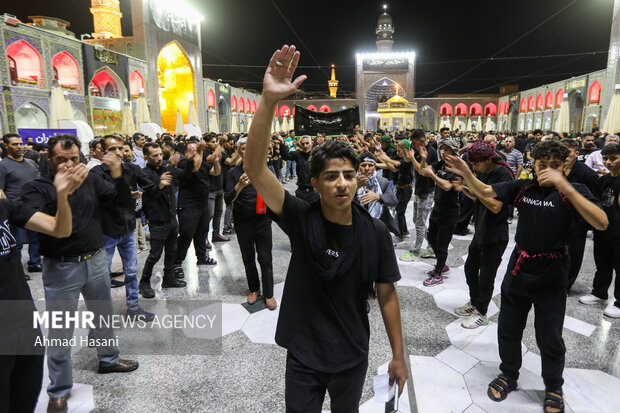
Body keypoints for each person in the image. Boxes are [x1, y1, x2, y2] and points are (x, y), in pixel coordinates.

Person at [243, 44, 407, 411]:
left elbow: (386, 294)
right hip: (305, 353)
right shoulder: (301, 218)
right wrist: (268, 100)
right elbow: (255, 168)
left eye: (349, 175)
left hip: (351, 354)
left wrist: (399, 355)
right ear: (315, 183)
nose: (342, 184)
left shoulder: (375, 233)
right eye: (331, 176)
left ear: (359, 179)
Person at [445, 140, 607, 413]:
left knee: (550, 336)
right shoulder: (524, 188)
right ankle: (509, 373)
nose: (548, 172)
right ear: (534, 165)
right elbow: (486, 191)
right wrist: (467, 173)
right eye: (543, 166)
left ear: (565, 166)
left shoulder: (573, 191)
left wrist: (563, 183)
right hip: (519, 269)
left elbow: (601, 221)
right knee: (508, 328)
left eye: (555, 166)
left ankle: (554, 385)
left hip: (552, 273)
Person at [16, 134, 140, 413]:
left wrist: (118, 171)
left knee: (103, 314)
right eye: (62, 159)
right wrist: (64, 192)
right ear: (49, 158)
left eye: (74, 158)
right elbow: (51, 225)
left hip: (95, 259)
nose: (69, 164)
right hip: (61, 266)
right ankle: (59, 388)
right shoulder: (37, 189)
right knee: (61, 329)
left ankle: (109, 360)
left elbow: (122, 201)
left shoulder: (91, 180)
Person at [0, 158, 86, 413]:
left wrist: (62, 196)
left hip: (23, 320)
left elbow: (60, 229)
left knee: (25, 396)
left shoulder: (5, 206)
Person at [91, 135, 155, 321]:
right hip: (107, 231)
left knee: (132, 271)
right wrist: (125, 193)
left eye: (120, 148)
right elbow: (101, 197)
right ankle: (99, 321)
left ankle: (134, 308)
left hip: (127, 228)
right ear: (103, 152)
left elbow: (149, 184)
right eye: (112, 149)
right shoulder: (96, 173)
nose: (118, 152)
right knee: (101, 278)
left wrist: (141, 192)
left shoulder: (130, 168)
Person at [452, 141, 514, 328]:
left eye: (477, 164)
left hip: (495, 235)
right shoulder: (484, 171)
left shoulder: (503, 174)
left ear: (488, 159)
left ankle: (482, 312)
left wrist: (475, 187)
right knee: (470, 269)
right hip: (481, 231)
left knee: (486, 276)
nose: (474, 167)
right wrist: (465, 188)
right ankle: (475, 302)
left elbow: (496, 206)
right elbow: (478, 196)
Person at [225, 137, 276, 310]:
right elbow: (228, 199)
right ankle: (254, 289)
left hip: (263, 221)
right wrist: (239, 185)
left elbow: (276, 193)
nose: (248, 151)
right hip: (243, 221)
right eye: (244, 148)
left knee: (265, 258)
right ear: (239, 151)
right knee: (248, 258)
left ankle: (268, 294)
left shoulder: (265, 169)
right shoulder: (233, 173)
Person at [140, 142, 187, 298]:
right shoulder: (144, 173)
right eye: (155, 155)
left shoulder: (165, 169)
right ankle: (144, 282)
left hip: (171, 218)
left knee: (172, 251)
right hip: (157, 220)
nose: (159, 158)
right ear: (146, 157)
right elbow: (150, 190)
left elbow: (183, 174)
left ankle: (169, 278)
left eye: (160, 154)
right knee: (155, 254)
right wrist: (160, 184)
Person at [579, 143, 620, 318]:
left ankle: (619, 302)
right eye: (605, 158)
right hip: (603, 231)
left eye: (613, 158)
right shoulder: (604, 180)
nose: (608, 162)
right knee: (602, 264)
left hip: (619, 232)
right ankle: (599, 293)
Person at [416, 137, 462, 286]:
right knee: (431, 237)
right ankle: (441, 264)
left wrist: (433, 175)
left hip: (450, 212)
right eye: (442, 149)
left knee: (442, 244)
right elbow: (423, 171)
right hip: (438, 208)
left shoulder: (458, 167)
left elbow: (447, 186)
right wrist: (423, 159)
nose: (443, 152)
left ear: (454, 150)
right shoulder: (442, 164)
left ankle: (438, 272)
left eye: (447, 149)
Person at [174, 140, 221, 272]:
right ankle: (177, 262)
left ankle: (201, 257)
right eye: (192, 150)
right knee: (187, 233)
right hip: (188, 204)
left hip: (202, 203)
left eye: (197, 150)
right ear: (186, 152)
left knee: (202, 232)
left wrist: (216, 162)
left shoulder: (203, 163)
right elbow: (195, 167)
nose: (195, 152)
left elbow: (215, 172)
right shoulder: (183, 163)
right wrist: (201, 150)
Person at [560, 139, 601, 290]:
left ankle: (566, 284)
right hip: (559, 218)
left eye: (568, 152)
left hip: (578, 221)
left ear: (576, 153)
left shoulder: (587, 174)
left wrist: (587, 223)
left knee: (573, 253)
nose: (564, 156)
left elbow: (596, 200)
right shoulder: (558, 169)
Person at [0, 133, 42, 274]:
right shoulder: (3, 166)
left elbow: (38, 183)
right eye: (14, 144)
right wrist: (6, 209)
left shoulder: (31, 163)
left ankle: (34, 263)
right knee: (17, 243)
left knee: (35, 239)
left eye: (20, 143)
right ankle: (17, 270)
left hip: (34, 208)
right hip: (15, 210)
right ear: (6, 146)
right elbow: (0, 190)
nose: (19, 147)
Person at [398, 130, 437, 261]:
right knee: (416, 221)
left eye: (414, 143)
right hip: (420, 190)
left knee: (420, 223)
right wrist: (404, 150)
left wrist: (413, 157)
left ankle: (416, 252)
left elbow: (421, 170)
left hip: (427, 191)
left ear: (421, 140)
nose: (412, 145)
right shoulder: (421, 149)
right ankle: (432, 245)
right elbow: (408, 159)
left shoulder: (430, 151)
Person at [356, 151, 400, 237]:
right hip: (356, 225)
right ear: (358, 167)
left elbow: (394, 201)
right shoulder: (351, 181)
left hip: (376, 225)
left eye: (370, 165)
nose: (367, 168)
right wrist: (356, 188)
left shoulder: (382, 182)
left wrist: (377, 196)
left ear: (375, 167)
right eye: (363, 165)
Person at [282, 134, 319, 202]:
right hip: (301, 192)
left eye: (307, 143)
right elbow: (285, 156)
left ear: (311, 143)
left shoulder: (317, 154)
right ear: (300, 145)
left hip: (314, 192)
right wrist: (282, 143)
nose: (305, 146)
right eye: (303, 144)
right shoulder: (297, 154)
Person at [499, 136, 523, 223]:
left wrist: (515, 179)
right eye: (506, 141)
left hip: (511, 177)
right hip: (501, 177)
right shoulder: (500, 152)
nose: (508, 143)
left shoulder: (517, 153)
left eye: (510, 141)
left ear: (513, 143)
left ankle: (509, 216)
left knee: (510, 197)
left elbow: (520, 167)